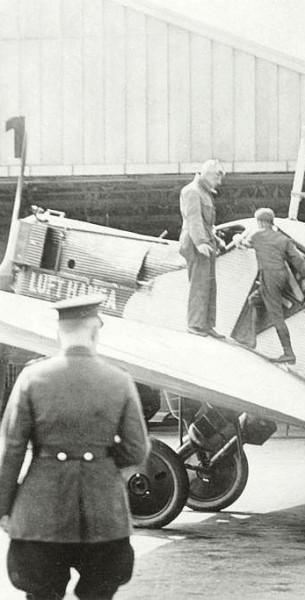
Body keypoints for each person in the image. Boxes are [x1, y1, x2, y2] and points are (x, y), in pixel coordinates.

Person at [0, 294, 151, 599]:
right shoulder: (119, 381)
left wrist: (3, 508)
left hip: (40, 514)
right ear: (96, 331)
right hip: (105, 515)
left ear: (59, 333)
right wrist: (103, 461)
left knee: (41, 593)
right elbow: (137, 449)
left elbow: (11, 451)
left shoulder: (32, 378)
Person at [235, 208, 305, 363]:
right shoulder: (283, 239)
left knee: (276, 314)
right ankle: (250, 338)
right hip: (281, 275)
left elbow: (243, 244)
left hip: (269, 276)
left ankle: (289, 353)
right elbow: (297, 259)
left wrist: (237, 238)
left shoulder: (257, 235)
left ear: (260, 222)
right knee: (254, 300)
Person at [179, 158, 227, 338]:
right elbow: (194, 219)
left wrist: (214, 239)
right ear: (208, 175)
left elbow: (206, 224)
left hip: (206, 243)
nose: (219, 182)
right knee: (199, 284)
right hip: (195, 243)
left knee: (208, 285)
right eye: (217, 177)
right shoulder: (192, 191)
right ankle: (195, 324)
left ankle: (206, 324)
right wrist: (200, 242)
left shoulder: (204, 193)